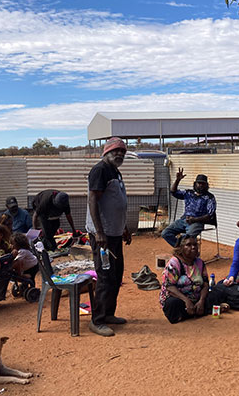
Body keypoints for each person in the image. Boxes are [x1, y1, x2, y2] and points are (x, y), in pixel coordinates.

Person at [86, 137, 132, 337]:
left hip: (114, 233)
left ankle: (108, 314)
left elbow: (116, 201)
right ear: (106, 152)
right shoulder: (100, 170)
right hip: (103, 235)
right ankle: (97, 321)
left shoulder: (115, 171)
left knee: (116, 274)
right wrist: (99, 231)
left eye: (123, 151)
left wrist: (123, 228)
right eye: (116, 151)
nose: (120, 154)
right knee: (104, 277)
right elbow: (92, 199)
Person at [159, 234, 229, 323]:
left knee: (218, 292)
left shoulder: (199, 263)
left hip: (196, 297)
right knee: (172, 304)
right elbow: (170, 287)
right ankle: (200, 311)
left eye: (195, 245)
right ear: (181, 249)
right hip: (180, 298)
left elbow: (205, 284)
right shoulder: (174, 263)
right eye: (188, 245)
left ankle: (195, 310)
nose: (193, 247)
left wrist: (201, 301)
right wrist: (187, 301)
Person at [161, 169, 216, 246]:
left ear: (206, 185)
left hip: (197, 222)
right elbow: (173, 192)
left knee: (187, 238)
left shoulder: (209, 197)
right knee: (165, 233)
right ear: (195, 184)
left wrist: (194, 219)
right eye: (199, 183)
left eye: (203, 184)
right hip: (183, 220)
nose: (200, 185)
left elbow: (210, 215)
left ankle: (184, 251)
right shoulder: (188, 193)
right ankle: (181, 249)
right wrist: (177, 180)